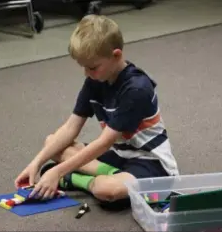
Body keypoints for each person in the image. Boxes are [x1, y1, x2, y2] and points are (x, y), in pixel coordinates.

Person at [14, 14, 179, 206]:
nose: (87, 73)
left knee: (105, 189)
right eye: (83, 67)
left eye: (92, 67)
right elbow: (70, 128)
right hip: (118, 155)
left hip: (150, 161)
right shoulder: (95, 80)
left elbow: (104, 143)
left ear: (116, 55)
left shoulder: (136, 89)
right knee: (52, 142)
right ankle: (110, 176)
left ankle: (76, 179)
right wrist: (36, 163)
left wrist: (58, 171)